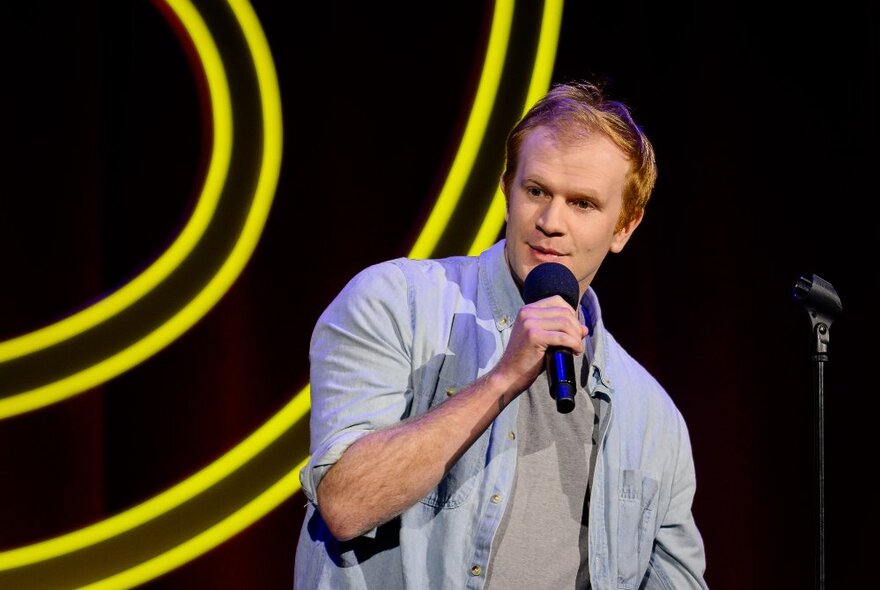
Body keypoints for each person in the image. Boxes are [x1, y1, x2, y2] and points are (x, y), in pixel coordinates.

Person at [294, 80, 708, 589]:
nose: (551, 221)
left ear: (624, 227)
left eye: (582, 204)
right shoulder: (395, 302)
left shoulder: (653, 418)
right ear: (506, 192)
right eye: (536, 191)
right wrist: (500, 380)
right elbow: (345, 503)